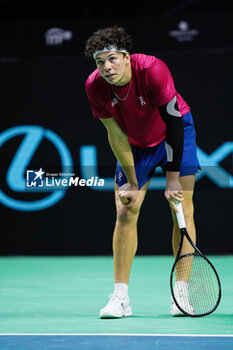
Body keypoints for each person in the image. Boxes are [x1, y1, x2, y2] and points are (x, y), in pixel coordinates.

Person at [84, 26, 200, 318]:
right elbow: (115, 135)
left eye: (112, 59)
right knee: (126, 210)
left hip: (175, 132)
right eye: (100, 62)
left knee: (182, 208)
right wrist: (132, 181)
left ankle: (181, 294)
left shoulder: (152, 69)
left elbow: (173, 121)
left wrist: (172, 177)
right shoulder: (94, 85)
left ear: (126, 56)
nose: (106, 67)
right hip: (135, 143)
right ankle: (120, 298)